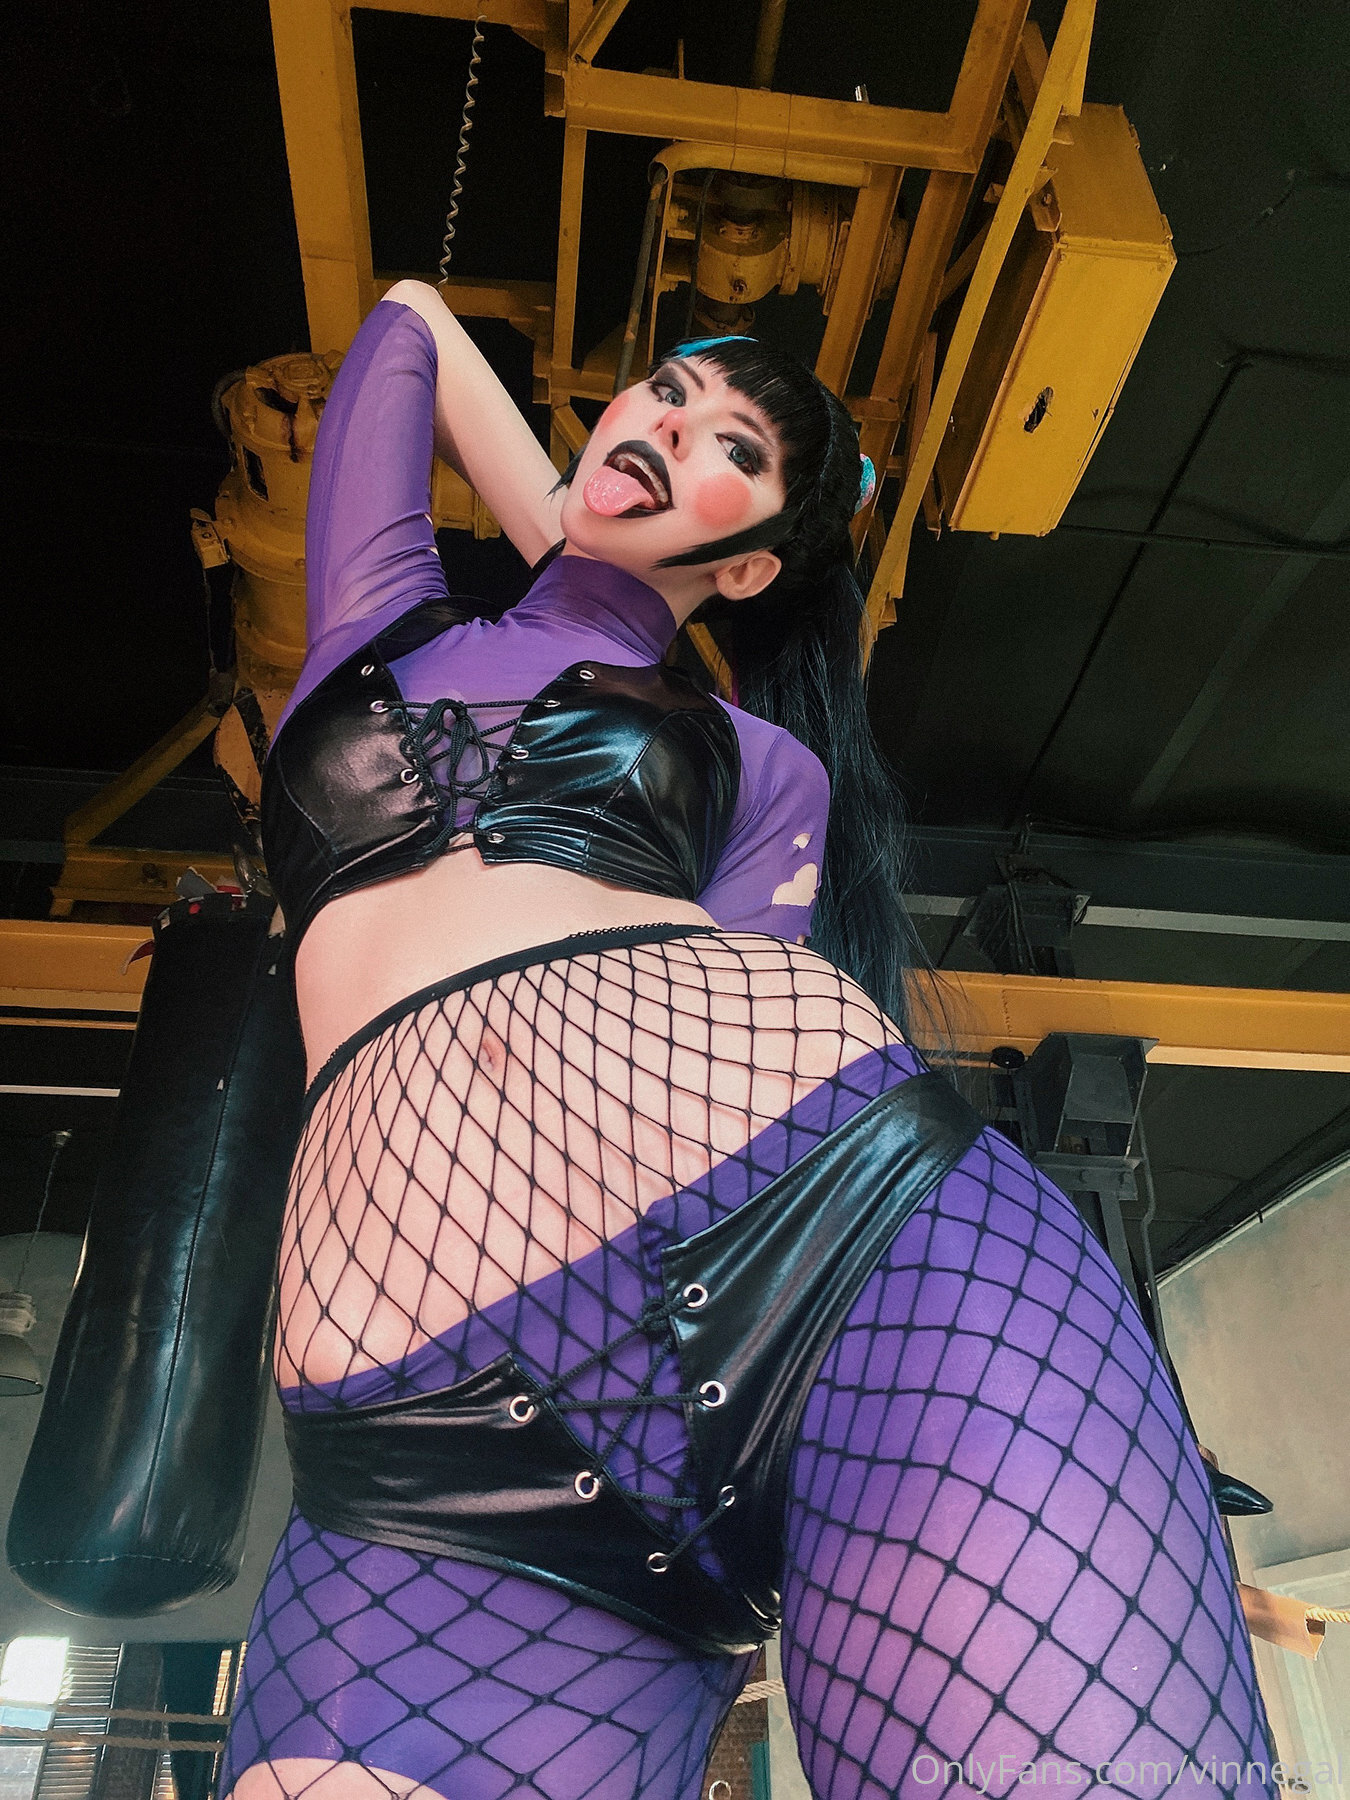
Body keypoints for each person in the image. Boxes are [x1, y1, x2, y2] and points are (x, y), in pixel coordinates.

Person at [220, 283, 1275, 1800]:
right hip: (436, 1437)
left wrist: (651, 561)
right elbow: (411, 323)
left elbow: (748, 972)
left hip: (841, 1235)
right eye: (664, 392)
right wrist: (592, 523)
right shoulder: (377, 613)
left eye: (735, 449)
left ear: (756, 563)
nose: (669, 426)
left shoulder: (760, 763)